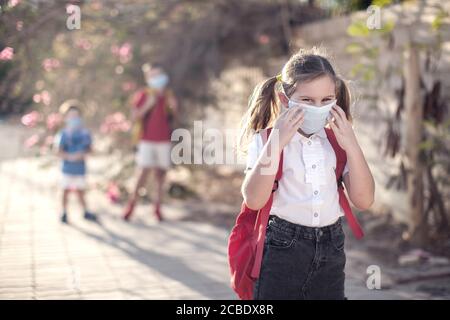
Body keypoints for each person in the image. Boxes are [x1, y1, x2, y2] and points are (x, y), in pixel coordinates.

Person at [239, 48, 375, 299]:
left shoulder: (338, 142)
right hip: (282, 250)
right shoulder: (268, 140)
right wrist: (277, 142)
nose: (318, 108)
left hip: (332, 248)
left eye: (326, 100)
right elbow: (254, 199)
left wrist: (353, 145)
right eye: (307, 100)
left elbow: (364, 200)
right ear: (284, 100)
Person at [123, 63, 178, 222]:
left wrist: (173, 106)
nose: (157, 79)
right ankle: (131, 206)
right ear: (147, 79)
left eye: (159, 75)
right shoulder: (143, 95)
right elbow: (134, 117)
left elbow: (174, 115)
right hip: (146, 140)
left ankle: (157, 208)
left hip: (164, 140)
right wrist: (148, 104)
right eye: (153, 76)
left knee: (161, 175)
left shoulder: (168, 95)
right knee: (142, 173)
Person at [58, 100, 97, 224]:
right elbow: (58, 151)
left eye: (76, 116)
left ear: (80, 117)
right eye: (70, 116)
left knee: (80, 191)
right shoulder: (63, 134)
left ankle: (85, 211)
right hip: (67, 168)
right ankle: (64, 212)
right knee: (65, 190)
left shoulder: (85, 134)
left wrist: (83, 155)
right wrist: (69, 157)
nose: (73, 118)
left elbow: (91, 150)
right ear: (65, 118)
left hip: (80, 168)